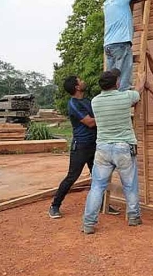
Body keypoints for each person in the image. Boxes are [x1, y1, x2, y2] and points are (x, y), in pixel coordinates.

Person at [82, 69, 146, 234]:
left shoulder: (95, 101)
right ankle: (133, 217)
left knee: (97, 186)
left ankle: (88, 224)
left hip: (102, 148)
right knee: (130, 185)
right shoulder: (125, 97)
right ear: (116, 83)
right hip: (123, 147)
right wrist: (141, 79)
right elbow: (138, 92)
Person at [48, 76, 120, 219]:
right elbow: (90, 123)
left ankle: (102, 205)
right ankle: (54, 206)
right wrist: (110, 116)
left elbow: (99, 114)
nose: (83, 81)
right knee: (72, 176)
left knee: (99, 177)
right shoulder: (73, 104)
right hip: (81, 146)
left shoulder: (88, 101)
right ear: (76, 87)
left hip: (95, 144)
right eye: (80, 80)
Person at [103, 0, 147, 91]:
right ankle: (124, 93)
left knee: (111, 76)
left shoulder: (107, 3)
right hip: (120, 42)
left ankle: (111, 95)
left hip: (108, 45)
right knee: (124, 72)